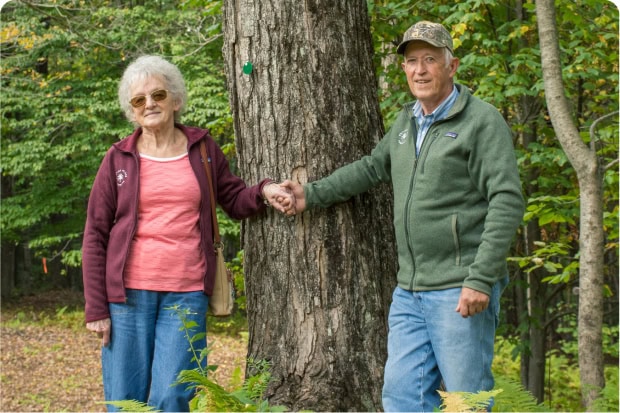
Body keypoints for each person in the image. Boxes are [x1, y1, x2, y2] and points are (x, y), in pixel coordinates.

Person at [279, 21, 524, 412]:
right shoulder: (406, 122)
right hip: (409, 291)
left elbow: (507, 200)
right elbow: (370, 168)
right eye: (412, 61)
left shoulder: (481, 121)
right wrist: (311, 194)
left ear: (452, 65)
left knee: (467, 401)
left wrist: (480, 278)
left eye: (430, 59)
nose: (420, 70)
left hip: (459, 287)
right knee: (402, 398)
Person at [82, 55, 293, 412]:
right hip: (127, 297)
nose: (149, 104)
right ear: (131, 111)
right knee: (124, 399)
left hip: (187, 293)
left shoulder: (203, 149)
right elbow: (95, 235)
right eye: (139, 100)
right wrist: (96, 308)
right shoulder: (117, 159)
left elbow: (233, 197)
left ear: (175, 100)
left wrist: (264, 191)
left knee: (175, 396)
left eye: (158, 95)